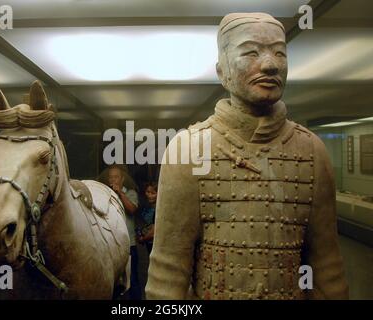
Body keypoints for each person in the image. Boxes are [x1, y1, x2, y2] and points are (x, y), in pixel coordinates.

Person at [146, 13, 349, 300]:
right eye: (251, 52)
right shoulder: (188, 150)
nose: (270, 64)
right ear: (222, 72)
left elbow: (327, 268)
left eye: (280, 52)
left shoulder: (312, 150)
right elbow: (168, 272)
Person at [106, 165, 140, 299]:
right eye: (111, 177)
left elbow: (132, 209)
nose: (113, 179)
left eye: (116, 177)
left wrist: (120, 193)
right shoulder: (106, 195)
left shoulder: (131, 193)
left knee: (132, 280)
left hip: (129, 246)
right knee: (113, 281)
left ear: (122, 179)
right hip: (112, 246)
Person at [137, 182, 157, 254]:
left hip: (155, 244)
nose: (149, 195)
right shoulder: (146, 207)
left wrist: (143, 239)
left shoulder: (159, 209)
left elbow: (154, 232)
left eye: (153, 193)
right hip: (148, 243)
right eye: (148, 192)